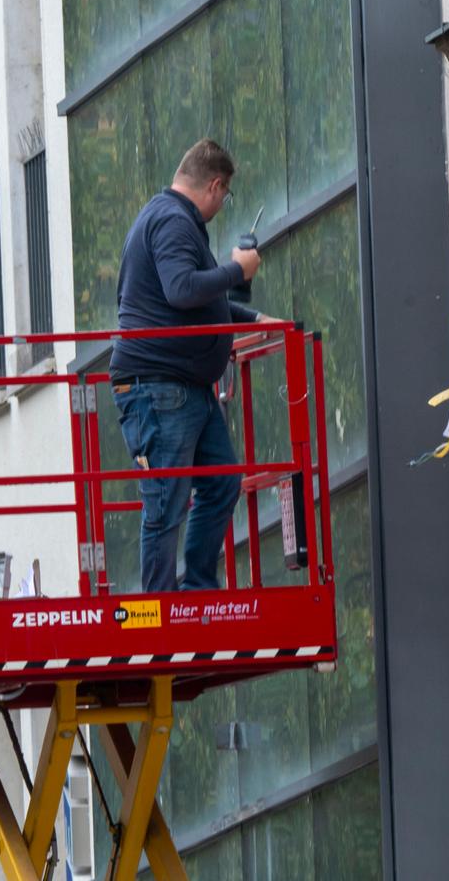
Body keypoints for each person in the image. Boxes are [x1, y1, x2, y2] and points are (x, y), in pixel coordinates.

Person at [110, 139, 277, 592]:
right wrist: (237, 270)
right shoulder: (172, 221)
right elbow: (183, 289)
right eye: (226, 196)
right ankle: (161, 610)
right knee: (166, 501)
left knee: (221, 482)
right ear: (216, 186)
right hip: (161, 386)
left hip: (183, 388)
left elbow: (191, 301)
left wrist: (253, 319)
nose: (222, 206)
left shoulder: (168, 218)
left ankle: (198, 588)